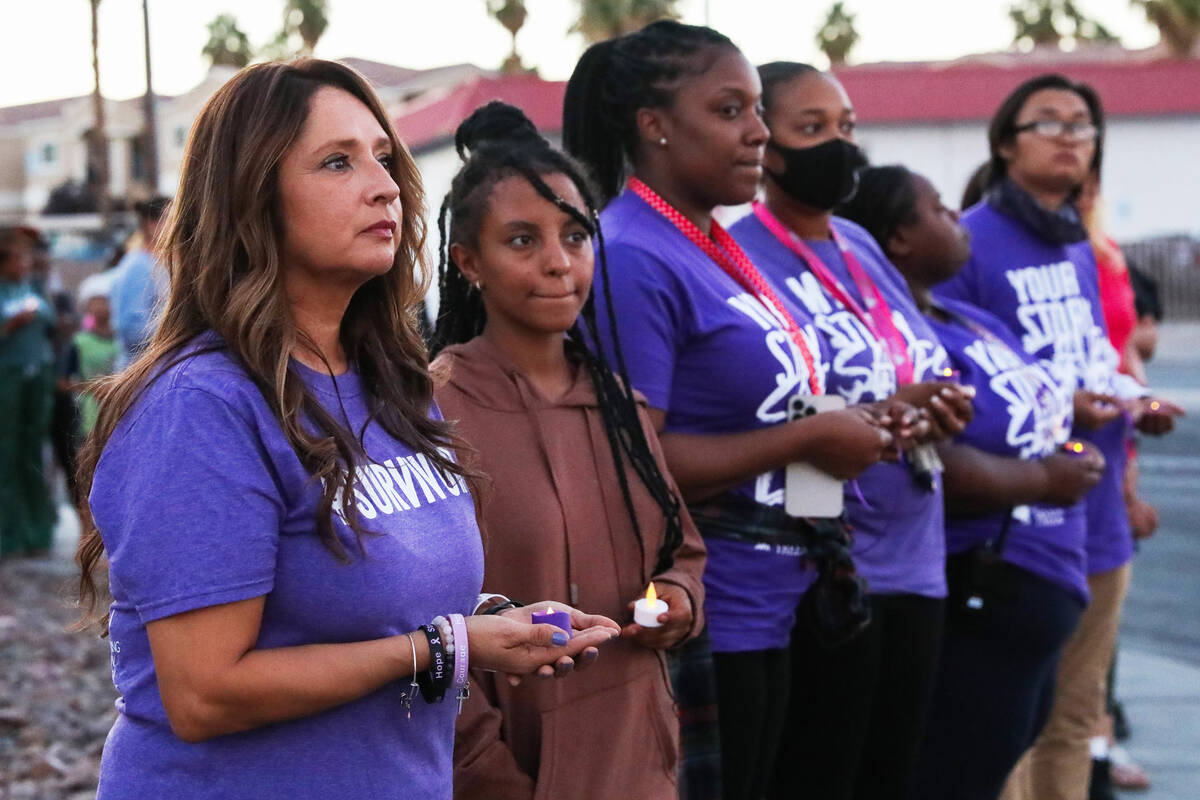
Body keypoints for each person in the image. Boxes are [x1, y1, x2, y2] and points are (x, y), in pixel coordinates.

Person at [73, 59, 619, 800]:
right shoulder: (201, 406)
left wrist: (495, 625)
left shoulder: (389, 382)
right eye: (337, 161)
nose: (385, 185)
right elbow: (204, 695)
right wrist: (442, 647)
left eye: (384, 158)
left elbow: (370, 608)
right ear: (251, 196)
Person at [564, 23, 915, 800]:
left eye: (757, 109)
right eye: (730, 110)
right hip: (714, 612)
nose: (759, 130)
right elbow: (630, 465)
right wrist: (813, 437)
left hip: (789, 596)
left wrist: (868, 422)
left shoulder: (716, 243)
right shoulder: (632, 252)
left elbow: (761, 410)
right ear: (654, 125)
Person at [427, 101, 708, 799]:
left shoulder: (619, 403)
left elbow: (682, 550)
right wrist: (490, 775)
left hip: (637, 753)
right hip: (510, 767)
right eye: (522, 241)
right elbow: (414, 616)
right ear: (468, 262)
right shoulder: (429, 412)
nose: (558, 263)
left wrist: (675, 599)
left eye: (576, 237)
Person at [726, 63, 974, 800]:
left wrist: (930, 404)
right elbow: (762, 403)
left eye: (847, 128)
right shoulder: (740, 256)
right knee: (820, 773)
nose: (839, 145)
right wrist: (879, 413)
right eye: (812, 129)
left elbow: (912, 362)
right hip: (827, 564)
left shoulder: (861, 247)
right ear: (765, 145)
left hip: (918, 557)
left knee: (892, 773)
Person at [932, 74, 1179, 800]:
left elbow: (1091, 357)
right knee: (1007, 729)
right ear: (1006, 142)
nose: (1072, 137)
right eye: (1051, 123)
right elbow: (949, 369)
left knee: (1075, 721)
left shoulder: (1075, 244)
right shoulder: (968, 240)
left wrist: (1133, 405)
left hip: (1095, 513)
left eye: (1084, 126)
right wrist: (1065, 406)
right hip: (1016, 520)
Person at [839, 164, 1105, 799]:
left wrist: (1074, 438)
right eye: (938, 209)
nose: (959, 218)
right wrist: (1044, 478)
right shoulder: (902, 338)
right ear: (898, 238)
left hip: (1045, 583)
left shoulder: (967, 316)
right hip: (982, 586)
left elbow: (1032, 414)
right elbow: (933, 465)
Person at [0, 226, 57, 558]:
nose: (25, 263)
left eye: (27, 257)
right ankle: (8, 534)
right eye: (18, 257)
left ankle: (37, 531)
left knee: (34, 452)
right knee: (7, 453)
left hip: (39, 376)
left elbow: (53, 325)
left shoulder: (34, 288)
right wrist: (11, 326)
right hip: (8, 377)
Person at [109, 196, 169, 361]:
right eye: (171, 219)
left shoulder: (161, 264)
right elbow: (129, 327)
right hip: (139, 370)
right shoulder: (137, 266)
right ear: (152, 224)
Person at [67, 287, 119, 437]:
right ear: (88, 308)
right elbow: (63, 382)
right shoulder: (80, 342)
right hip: (89, 416)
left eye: (105, 301)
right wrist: (94, 388)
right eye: (96, 302)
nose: (102, 306)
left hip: (119, 413)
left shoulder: (123, 341)